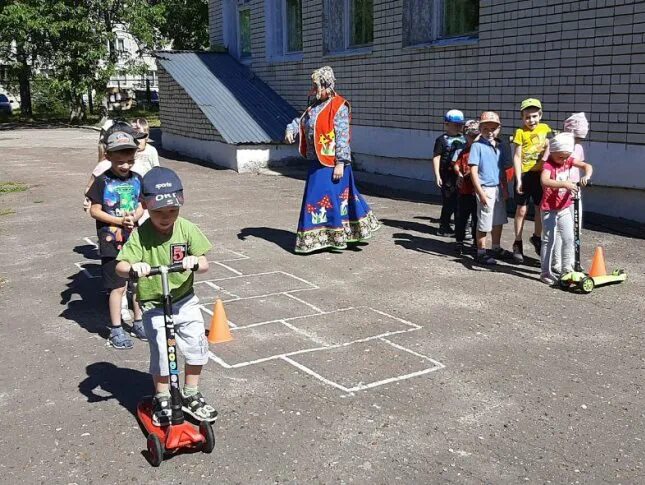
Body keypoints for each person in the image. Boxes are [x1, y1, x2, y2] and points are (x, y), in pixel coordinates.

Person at [115, 167, 218, 426]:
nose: (165, 217)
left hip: (184, 300)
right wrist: (134, 268)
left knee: (196, 345)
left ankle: (191, 393)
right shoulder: (141, 234)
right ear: (146, 207)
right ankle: (162, 395)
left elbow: (205, 263)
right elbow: (120, 266)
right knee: (162, 351)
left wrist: (195, 261)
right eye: (158, 212)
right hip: (153, 305)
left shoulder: (186, 229)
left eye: (172, 211)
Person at [284, 66, 380, 253]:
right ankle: (326, 237)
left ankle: (337, 235)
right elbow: (301, 121)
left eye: (316, 85)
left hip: (333, 164)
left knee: (335, 199)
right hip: (317, 163)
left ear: (327, 85)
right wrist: (291, 129)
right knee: (321, 199)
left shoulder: (339, 106)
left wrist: (340, 163)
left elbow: (342, 136)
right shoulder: (314, 106)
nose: (313, 90)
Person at [86, 131, 145, 349]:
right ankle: (116, 328)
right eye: (120, 162)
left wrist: (134, 218)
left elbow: (142, 204)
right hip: (112, 241)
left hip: (134, 240)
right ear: (108, 157)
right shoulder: (102, 182)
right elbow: (94, 211)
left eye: (130, 161)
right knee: (117, 286)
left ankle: (139, 322)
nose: (125, 166)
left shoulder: (137, 179)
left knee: (138, 282)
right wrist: (119, 221)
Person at [539, 132, 593, 285]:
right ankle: (545, 272)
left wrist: (586, 176)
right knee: (549, 240)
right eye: (560, 157)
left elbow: (586, 166)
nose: (563, 160)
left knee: (569, 238)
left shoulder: (568, 160)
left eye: (566, 157)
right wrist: (565, 184)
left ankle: (567, 268)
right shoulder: (549, 164)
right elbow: (544, 180)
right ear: (553, 152)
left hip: (564, 207)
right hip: (549, 208)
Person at [468, 111, 513, 265]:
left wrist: (505, 188)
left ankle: (496, 247)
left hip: (498, 188)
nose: (490, 132)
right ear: (480, 129)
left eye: (493, 129)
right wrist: (480, 192)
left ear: (499, 129)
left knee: (498, 219)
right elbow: (473, 170)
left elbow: (501, 171)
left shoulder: (500, 146)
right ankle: (481, 251)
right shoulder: (477, 146)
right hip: (485, 188)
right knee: (484, 220)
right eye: (486, 129)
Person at [512, 98, 552, 263]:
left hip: (539, 175)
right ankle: (517, 241)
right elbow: (517, 155)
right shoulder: (520, 132)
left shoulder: (545, 129)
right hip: (524, 175)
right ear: (522, 118)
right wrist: (518, 178)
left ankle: (537, 237)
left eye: (534, 116)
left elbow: (551, 144)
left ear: (540, 115)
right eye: (527, 117)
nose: (531, 120)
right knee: (521, 210)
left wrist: (546, 156)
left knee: (540, 209)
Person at [549, 113, 589, 274]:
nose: (578, 142)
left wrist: (586, 176)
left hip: (574, 192)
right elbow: (548, 166)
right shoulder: (557, 145)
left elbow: (583, 166)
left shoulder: (578, 148)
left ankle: (571, 261)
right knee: (559, 230)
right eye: (576, 138)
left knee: (575, 229)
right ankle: (557, 262)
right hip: (558, 193)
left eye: (580, 139)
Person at [433, 110, 466, 236]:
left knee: (460, 202)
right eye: (455, 124)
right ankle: (444, 226)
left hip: (461, 174)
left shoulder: (464, 139)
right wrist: (437, 175)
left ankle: (460, 226)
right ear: (447, 124)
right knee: (449, 201)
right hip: (447, 176)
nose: (458, 127)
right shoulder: (442, 140)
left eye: (460, 124)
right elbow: (436, 157)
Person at [452, 120, 480, 256]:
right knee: (461, 217)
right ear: (465, 136)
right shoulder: (464, 151)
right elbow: (457, 164)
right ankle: (459, 242)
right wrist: (459, 174)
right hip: (464, 191)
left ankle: (477, 243)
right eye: (471, 136)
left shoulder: (482, 150)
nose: (474, 139)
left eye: (476, 136)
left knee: (477, 219)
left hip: (478, 191)